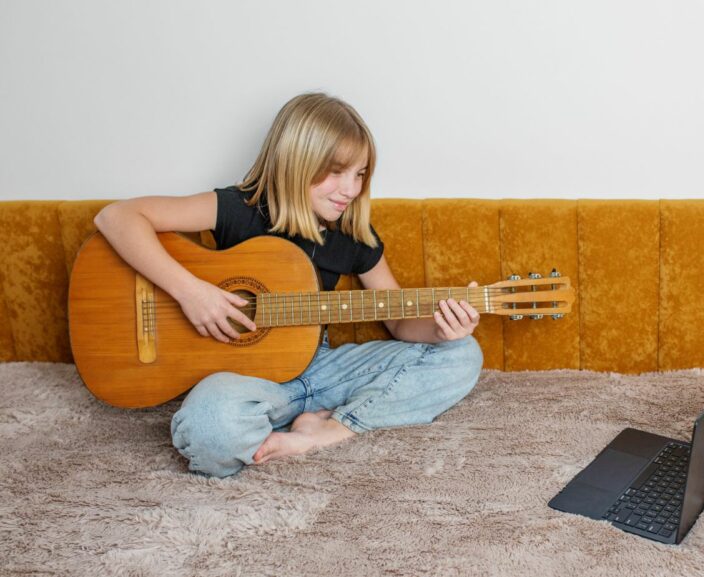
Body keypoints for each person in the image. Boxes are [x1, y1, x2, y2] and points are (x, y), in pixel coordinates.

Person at [93, 92, 484, 478]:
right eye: (336, 171)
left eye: (360, 174)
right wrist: (191, 292)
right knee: (210, 427)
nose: (350, 189)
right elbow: (116, 218)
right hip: (245, 380)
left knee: (462, 353)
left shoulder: (353, 234)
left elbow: (397, 320)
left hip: (320, 370)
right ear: (297, 161)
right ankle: (285, 418)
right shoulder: (239, 209)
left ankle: (328, 430)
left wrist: (440, 330)